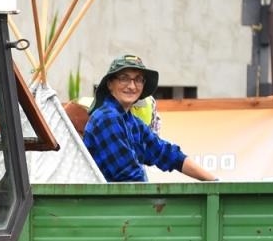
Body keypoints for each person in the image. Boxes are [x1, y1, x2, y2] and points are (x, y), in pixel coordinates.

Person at [81, 53, 217, 183]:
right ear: (110, 84)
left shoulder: (132, 122)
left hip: (125, 202)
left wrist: (214, 181)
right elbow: (128, 176)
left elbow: (166, 153)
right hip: (106, 204)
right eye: (124, 78)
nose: (132, 86)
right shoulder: (107, 117)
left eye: (138, 79)